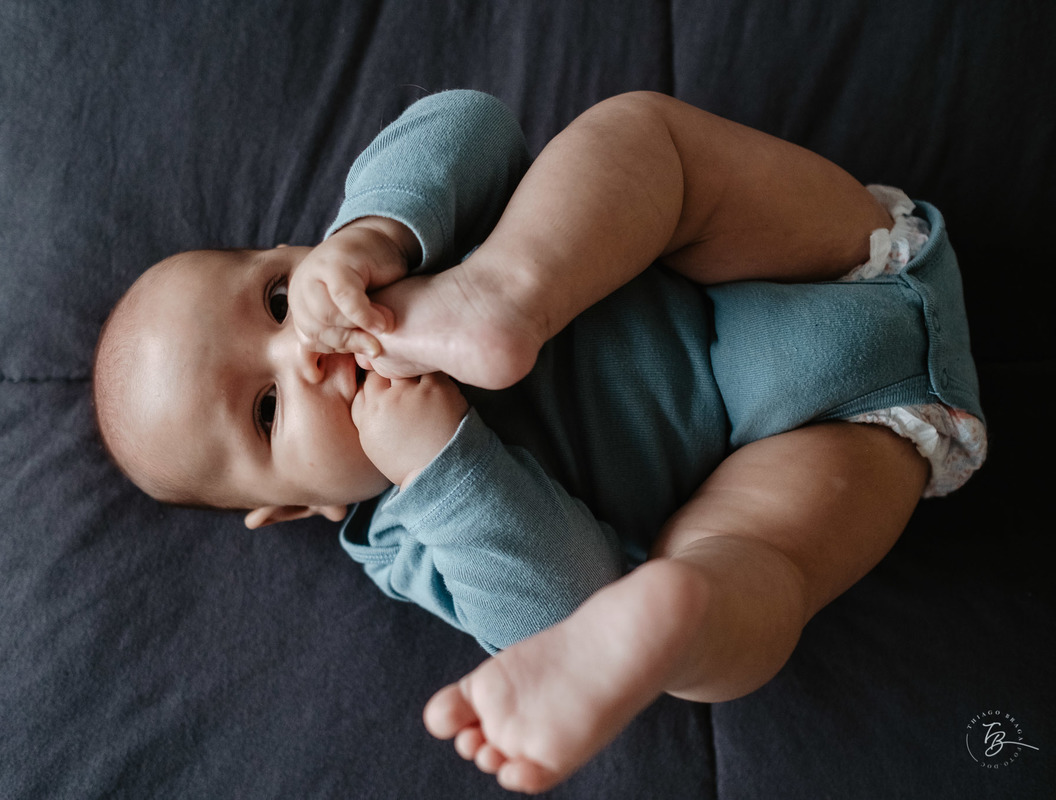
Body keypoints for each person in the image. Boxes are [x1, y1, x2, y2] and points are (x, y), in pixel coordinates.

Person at [92, 90, 986, 794]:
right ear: (296, 507)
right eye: (266, 410)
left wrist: (375, 233)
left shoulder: (392, 251)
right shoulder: (409, 536)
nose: (308, 350)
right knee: (741, 582)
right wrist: (443, 468)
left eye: (277, 300)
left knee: (644, 140)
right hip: (847, 443)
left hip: (826, 250)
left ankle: (508, 292)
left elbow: (469, 120)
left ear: (292, 252)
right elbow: (565, 603)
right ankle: (680, 610)